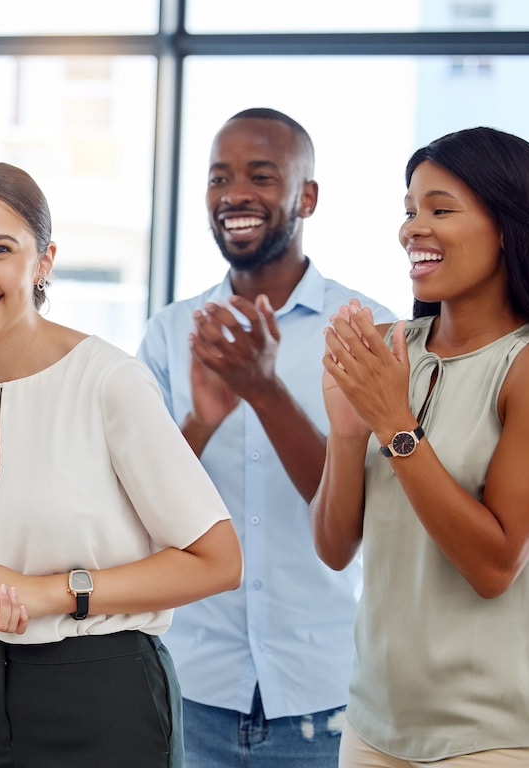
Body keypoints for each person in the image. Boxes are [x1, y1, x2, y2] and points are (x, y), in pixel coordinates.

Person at [0, 160, 243, 768]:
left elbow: (218, 561)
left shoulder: (109, 382)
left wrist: (48, 593)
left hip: (104, 691)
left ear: (44, 260)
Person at [136, 107, 395, 766]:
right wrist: (204, 417)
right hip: (192, 689)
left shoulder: (370, 332)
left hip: (324, 696)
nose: (235, 195)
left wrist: (265, 391)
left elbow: (360, 515)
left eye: (261, 175)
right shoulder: (170, 333)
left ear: (306, 196)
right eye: (219, 178)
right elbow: (140, 509)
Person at [312, 127, 529, 765]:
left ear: (511, 226)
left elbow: (494, 568)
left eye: (440, 209)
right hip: (374, 725)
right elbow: (334, 547)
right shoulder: (392, 350)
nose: (412, 229)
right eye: (409, 211)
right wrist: (350, 433)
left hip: (497, 737)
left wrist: (394, 423)